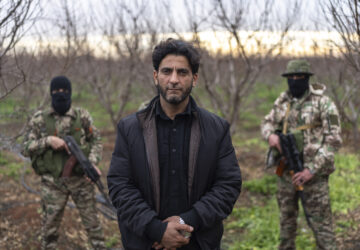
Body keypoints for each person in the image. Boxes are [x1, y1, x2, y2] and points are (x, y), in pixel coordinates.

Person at [107, 38, 242, 250]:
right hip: (146, 242)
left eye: (182, 72)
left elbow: (228, 185)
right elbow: (120, 186)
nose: (173, 79)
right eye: (166, 71)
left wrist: (186, 221)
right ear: (155, 76)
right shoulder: (130, 128)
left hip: (198, 242)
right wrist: (157, 230)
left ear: (194, 78)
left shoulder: (216, 129)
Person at [261, 59, 342, 249]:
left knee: (322, 228)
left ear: (307, 78)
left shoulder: (323, 103)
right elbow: (267, 123)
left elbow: (334, 140)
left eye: (300, 77)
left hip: (314, 177)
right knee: (286, 225)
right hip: (286, 174)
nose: (295, 81)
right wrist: (271, 136)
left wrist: (310, 170)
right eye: (291, 77)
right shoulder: (282, 101)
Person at [22, 76, 106, 250]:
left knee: (94, 228)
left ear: (71, 93)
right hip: (53, 184)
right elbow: (25, 147)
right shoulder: (39, 119)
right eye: (56, 92)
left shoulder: (81, 116)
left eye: (65, 91)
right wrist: (48, 141)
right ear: (51, 93)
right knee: (49, 230)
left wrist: (91, 163)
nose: (61, 95)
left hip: (81, 181)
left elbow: (96, 140)